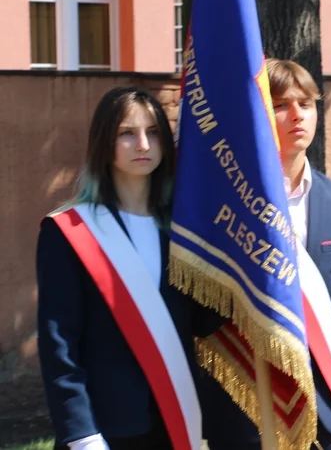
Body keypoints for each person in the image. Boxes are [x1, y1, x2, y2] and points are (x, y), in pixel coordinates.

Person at [36, 86, 221, 450]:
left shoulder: (182, 232)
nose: (143, 145)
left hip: (175, 420)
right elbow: (59, 345)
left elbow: (201, 323)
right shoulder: (69, 231)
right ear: (104, 142)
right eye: (127, 133)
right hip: (105, 429)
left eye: (153, 132)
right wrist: (81, 434)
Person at [200, 59, 331, 450]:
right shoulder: (223, 207)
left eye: (306, 104)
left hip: (321, 398)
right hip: (246, 396)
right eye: (281, 105)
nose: (297, 116)